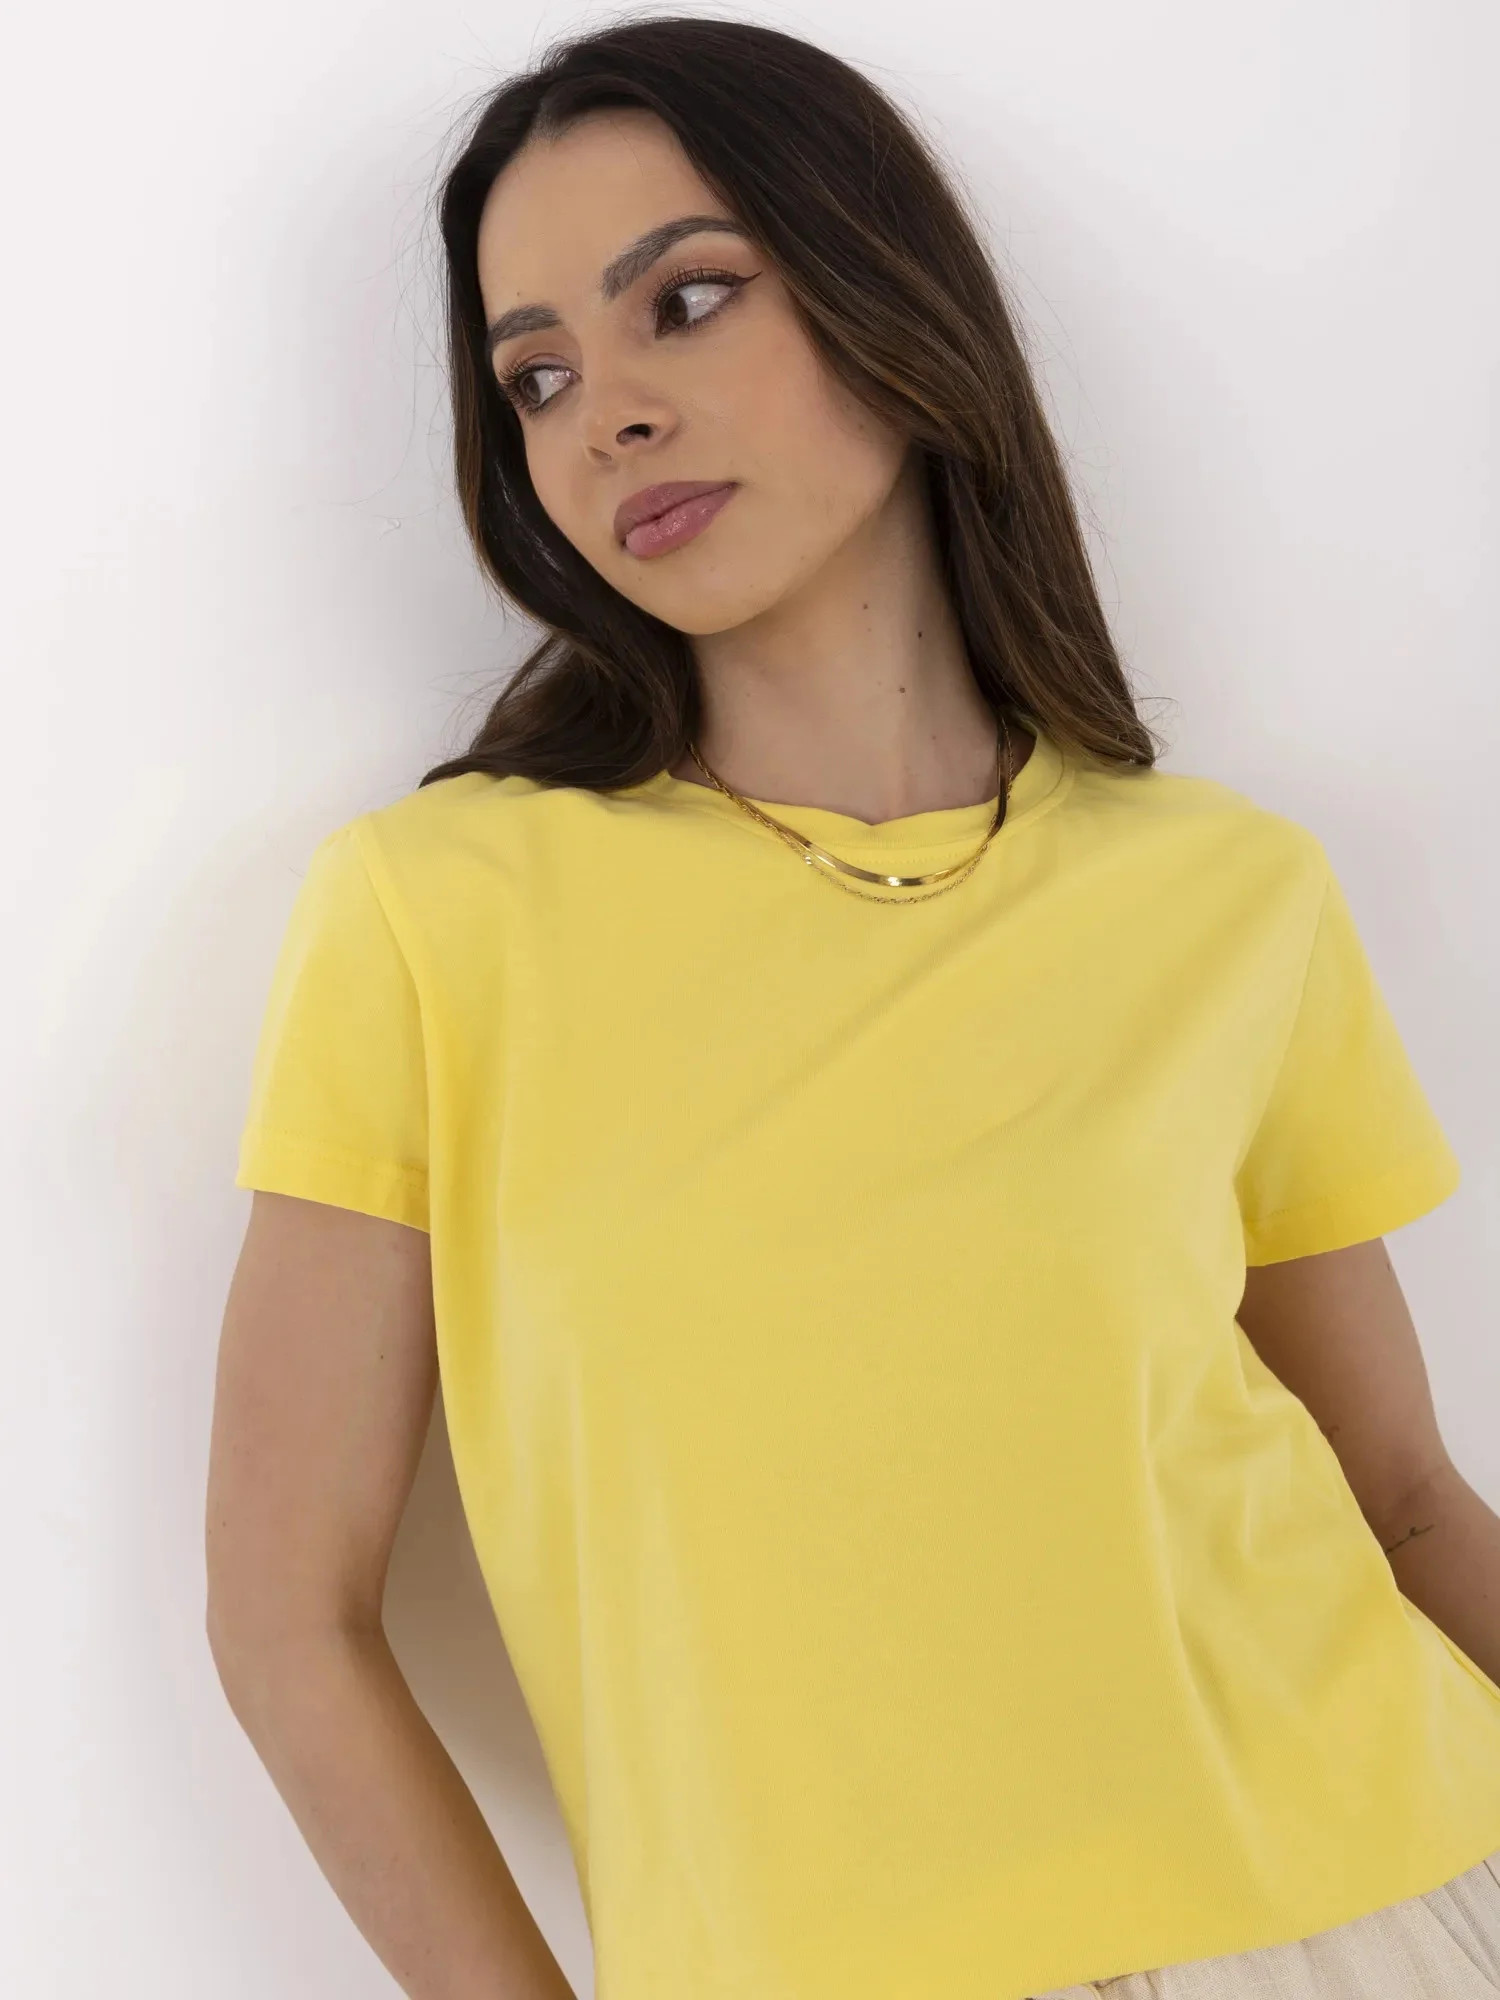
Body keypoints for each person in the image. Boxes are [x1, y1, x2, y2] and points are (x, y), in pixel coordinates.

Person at [205, 15, 1500, 1999]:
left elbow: (1403, 1501)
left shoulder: (1226, 891)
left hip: (1378, 1905)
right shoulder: (438, 914)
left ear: (890, 301)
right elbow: (288, 1616)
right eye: (538, 375)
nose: (606, 416)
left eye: (685, 301)